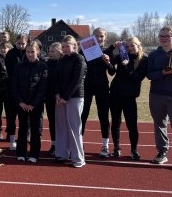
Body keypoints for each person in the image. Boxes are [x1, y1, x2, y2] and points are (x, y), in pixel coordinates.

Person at [108, 37, 147, 160]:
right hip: (115, 94)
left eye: (132, 45)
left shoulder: (144, 59)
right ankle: (116, 149)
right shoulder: (122, 54)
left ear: (138, 45)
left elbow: (138, 78)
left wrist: (128, 66)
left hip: (130, 96)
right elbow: (111, 71)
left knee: (132, 124)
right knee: (116, 122)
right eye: (128, 46)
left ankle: (134, 150)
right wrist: (109, 57)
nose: (129, 48)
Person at [81, 27, 114, 157]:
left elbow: (112, 72)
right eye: (97, 36)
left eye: (102, 36)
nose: (99, 38)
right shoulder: (84, 49)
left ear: (105, 37)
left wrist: (108, 62)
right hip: (87, 86)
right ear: (92, 37)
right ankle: (79, 142)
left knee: (103, 115)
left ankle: (105, 145)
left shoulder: (108, 51)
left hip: (102, 86)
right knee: (83, 114)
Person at [54, 35, 87, 167]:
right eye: (63, 46)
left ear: (74, 45)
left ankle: (78, 159)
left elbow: (77, 80)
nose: (65, 49)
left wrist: (65, 97)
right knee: (61, 127)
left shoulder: (79, 59)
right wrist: (57, 94)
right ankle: (62, 154)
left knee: (74, 128)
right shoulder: (61, 59)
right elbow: (56, 78)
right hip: (60, 98)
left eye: (67, 46)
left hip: (74, 97)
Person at [13, 43, 48, 163]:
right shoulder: (19, 66)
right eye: (28, 52)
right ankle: (21, 153)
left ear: (38, 51)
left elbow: (42, 88)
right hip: (22, 104)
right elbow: (15, 86)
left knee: (35, 129)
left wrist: (33, 104)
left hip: (36, 104)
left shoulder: (43, 66)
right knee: (22, 128)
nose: (30, 54)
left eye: (32, 52)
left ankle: (34, 154)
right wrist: (21, 102)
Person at [146, 26, 172, 164]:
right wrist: (162, 73)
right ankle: (162, 152)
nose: (164, 38)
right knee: (159, 124)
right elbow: (149, 75)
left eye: (167, 36)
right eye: (161, 36)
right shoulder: (153, 55)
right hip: (157, 94)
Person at [4, 34, 29, 150]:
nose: (21, 46)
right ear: (15, 42)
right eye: (19, 43)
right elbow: (9, 71)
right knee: (11, 117)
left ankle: (23, 138)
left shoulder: (29, 53)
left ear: (27, 43)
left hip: (25, 91)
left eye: (23, 44)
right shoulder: (10, 53)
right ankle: (12, 140)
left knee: (24, 117)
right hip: (11, 90)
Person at [44, 42, 63, 156]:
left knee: (62, 122)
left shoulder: (63, 63)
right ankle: (54, 144)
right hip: (49, 97)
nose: (50, 53)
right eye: (49, 51)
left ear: (60, 52)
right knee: (52, 121)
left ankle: (63, 145)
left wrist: (59, 94)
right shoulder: (46, 63)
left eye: (52, 51)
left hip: (61, 97)